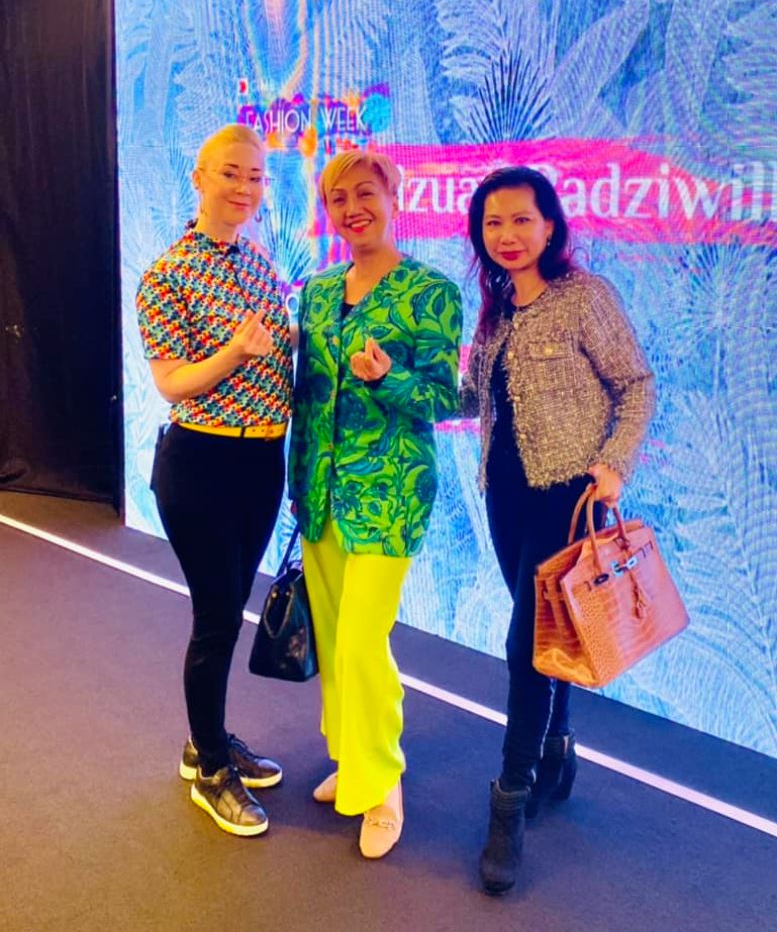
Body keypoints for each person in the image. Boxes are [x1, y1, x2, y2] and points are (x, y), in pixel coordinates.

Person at [460, 166, 655, 894]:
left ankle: (508, 801)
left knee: (525, 648)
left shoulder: (584, 297)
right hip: (506, 497)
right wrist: (393, 379)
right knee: (549, 639)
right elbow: (473, 398)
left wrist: (614, 464)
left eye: (521, 219)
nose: (507, 235)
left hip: (568, 499)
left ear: (549, 225)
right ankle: (556, 749)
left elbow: (636, 384)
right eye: (493, 222)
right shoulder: (496, 310)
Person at [289, 150, 462, 859]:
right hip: (320, 489)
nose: (353, 208)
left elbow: (446, 398)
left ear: (394, 197)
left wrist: (388, 378)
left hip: (389, 491)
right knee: (334, 640)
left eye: (366, 193)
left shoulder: (431, 291)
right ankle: (352, 758)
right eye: (339, 199)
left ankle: (382, 778)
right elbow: (308, 394)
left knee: (363, 642)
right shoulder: (317, 292)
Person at [136, 124, 293, 837]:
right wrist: (233, 352)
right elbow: (172, 383)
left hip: (262, 463)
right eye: (230, 173)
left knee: (230, 609)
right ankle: (210, 771)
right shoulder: (166, 275)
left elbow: (283, 354)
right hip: (200, 464)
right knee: (218, 615)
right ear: (199, 177)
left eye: (255, 176)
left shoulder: (259, 264)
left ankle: (208, 740)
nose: (244, 187)